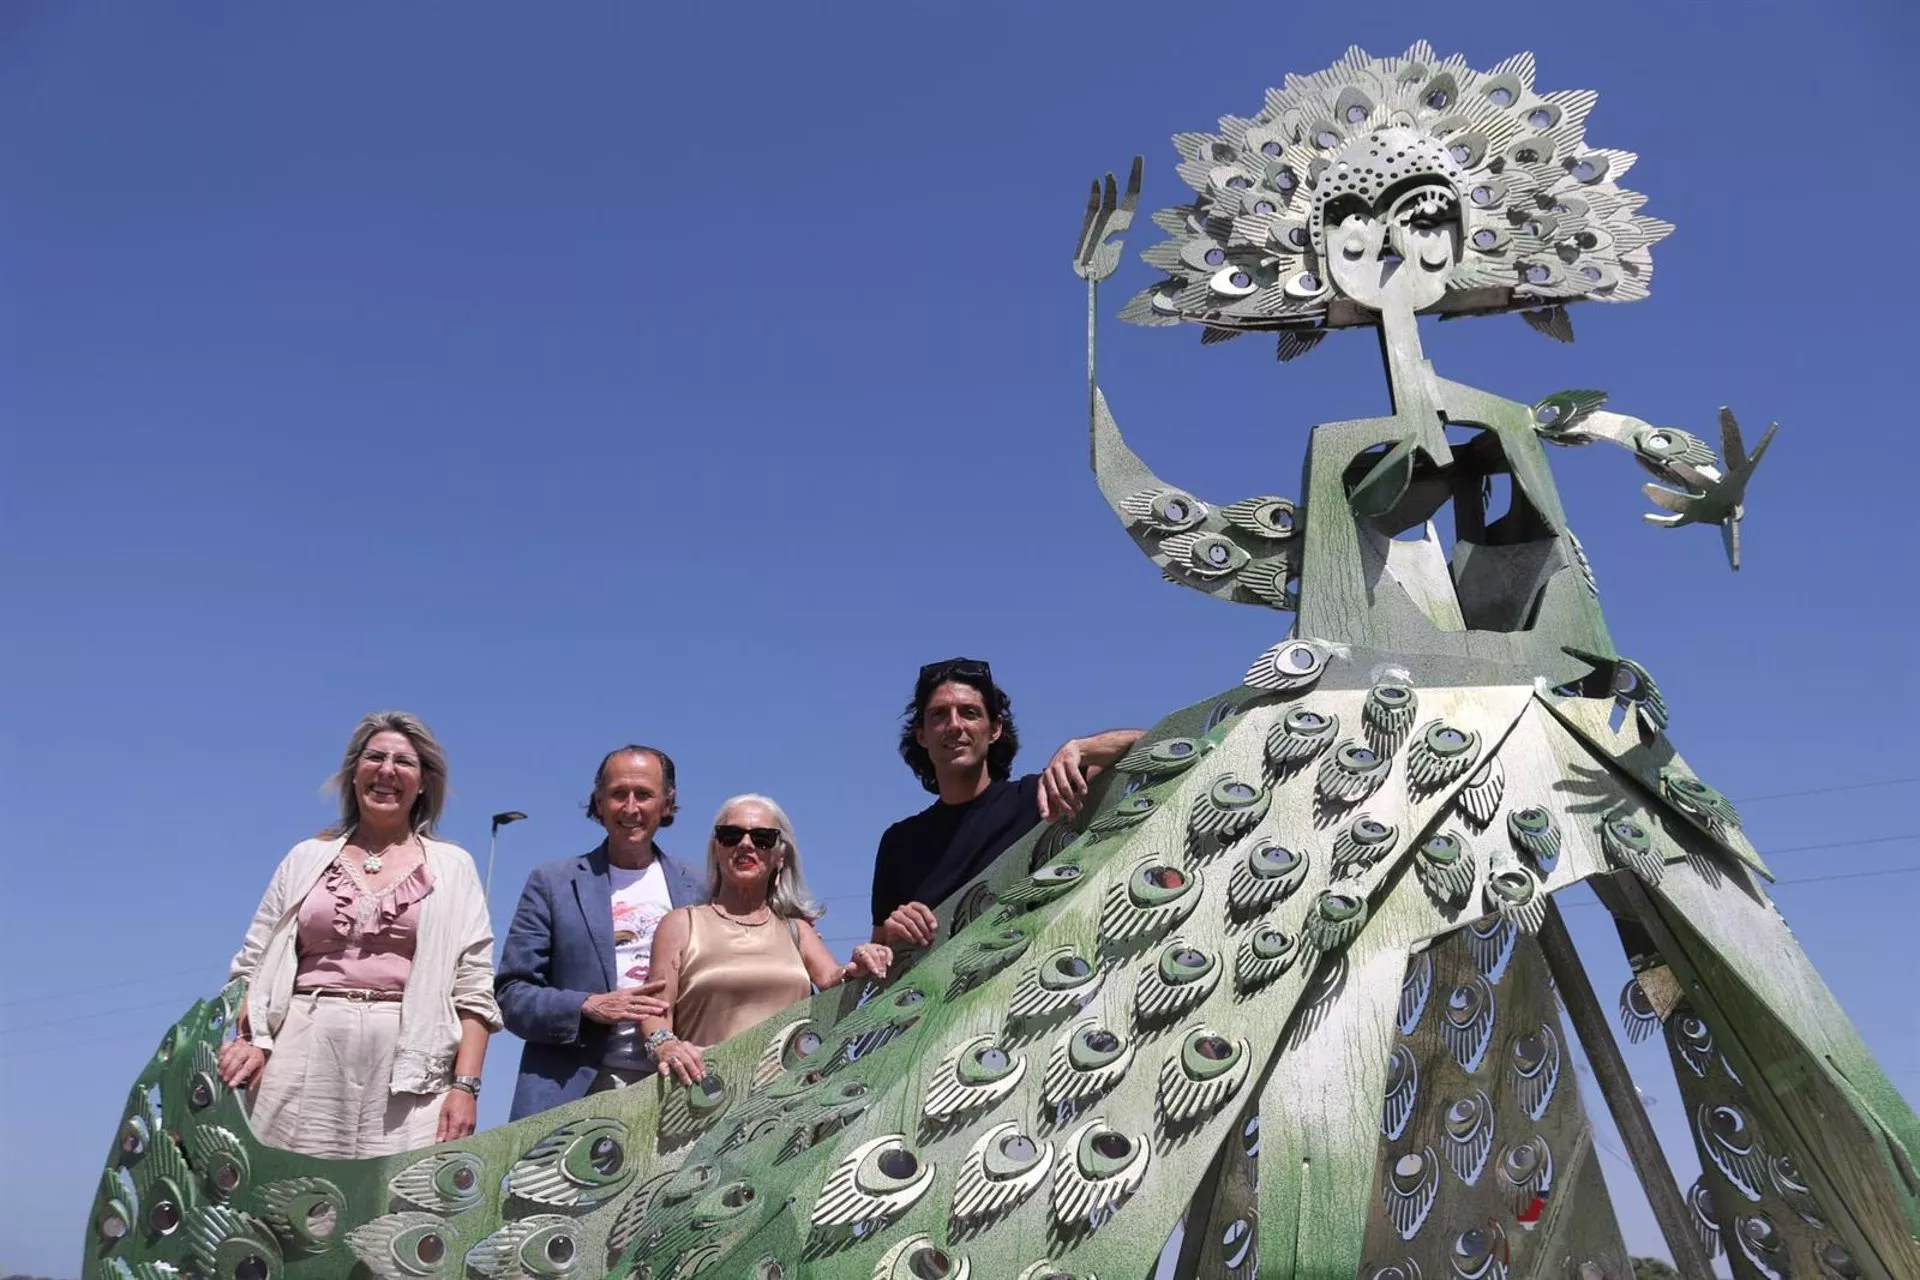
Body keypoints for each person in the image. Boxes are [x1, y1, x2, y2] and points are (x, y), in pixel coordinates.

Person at [216, 711, 501, 1157]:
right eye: (375, 758)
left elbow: (475, 989)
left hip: (412, 1058)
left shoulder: (454, 866)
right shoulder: (304, 858)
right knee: (286, 1201)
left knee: (392, 1207)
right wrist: (252, 1040)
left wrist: (465, 1087)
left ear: (424, 782)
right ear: (353, 774)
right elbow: (253, 963)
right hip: (300, 1043)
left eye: (404, 763)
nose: (387, 771)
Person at [870, 657, 1146, 949]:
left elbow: (1155, 744)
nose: (954, 725)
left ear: (995, 728)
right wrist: (891, 935)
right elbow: (877, 955)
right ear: (922, 735)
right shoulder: (899, 844)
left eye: (969, 712)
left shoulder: (1043, 797)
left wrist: (1081, 748)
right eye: (939, 715)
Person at [495, 744, 707, 1119]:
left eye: (643, 795)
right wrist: (588, 1006)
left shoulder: (702, 888)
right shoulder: (552, 884)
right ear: (598, 802)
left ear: (667, 803)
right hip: (571, 1093)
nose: (630, 808)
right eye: (617, 794)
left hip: (676, 1087)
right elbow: (512, 996)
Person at [641, 795, 892, 1084]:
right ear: (716, 849)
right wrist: (666, 1046)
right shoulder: (681, 924)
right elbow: (655, 1011)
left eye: (762, 838)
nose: (745, 844)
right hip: (705, 1097)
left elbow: (837, 982)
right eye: (731, 835)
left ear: (779, 856)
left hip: (789, 1103)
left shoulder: (796, 931)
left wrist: (862, 960)